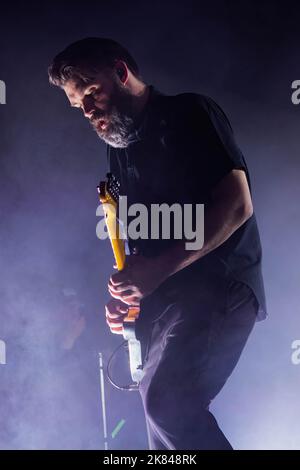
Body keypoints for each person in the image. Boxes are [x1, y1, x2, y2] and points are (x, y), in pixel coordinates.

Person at [48, 37, 267, 450]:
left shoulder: (190, 112)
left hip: (222, 286)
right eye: (80, 106)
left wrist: (157, 270)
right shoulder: (119, 154)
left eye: (92, 93)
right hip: (169, 305)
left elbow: (238, 204)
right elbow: (143, 253)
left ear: (121, 72)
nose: (89, 111)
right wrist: (131, 296)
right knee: (158, 417)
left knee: (169, 404)